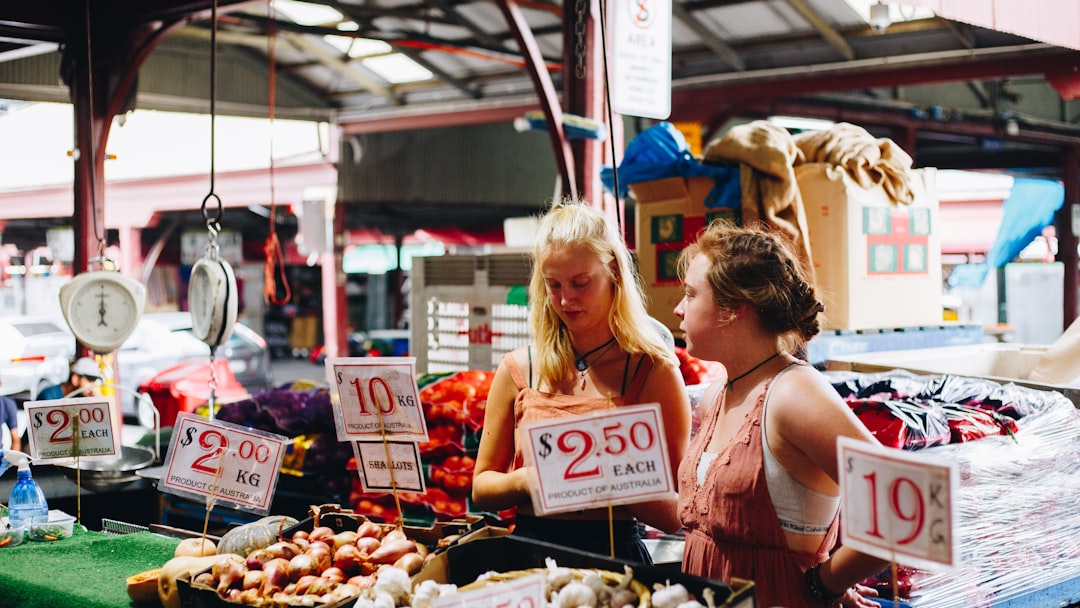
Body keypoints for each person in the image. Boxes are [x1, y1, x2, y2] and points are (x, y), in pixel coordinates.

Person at [674, 220, 887, 608]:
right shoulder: (715, 396)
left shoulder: (794, 395)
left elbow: (896, 506)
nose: (678, 309)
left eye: (690, 295)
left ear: (734, 309)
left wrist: (827, 582)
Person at [471, 199, 691, 563]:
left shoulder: (652, 370)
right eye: (553, 284)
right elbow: (482, 486)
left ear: (614, 273)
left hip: (615, 556)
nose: (566, 299)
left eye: (581, 283)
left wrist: (604, 479)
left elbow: (675, 513)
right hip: (530, 554)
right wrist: (527, 480)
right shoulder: (518, 369)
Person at [38, 357, 103, 400]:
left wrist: (98, 400)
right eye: (90, 380)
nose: (93, 387)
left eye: (94, 382)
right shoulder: (49, 396)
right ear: (76, 379)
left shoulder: (81, 398)